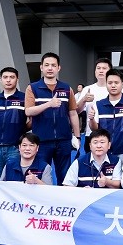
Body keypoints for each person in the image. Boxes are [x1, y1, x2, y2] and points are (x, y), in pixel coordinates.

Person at [0, 67, 28, 228]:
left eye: (12, 77)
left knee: (16, 183)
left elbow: (29, 121)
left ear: (17, 79)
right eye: (5, 77)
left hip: (15, 148)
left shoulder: (24, 98)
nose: (8, 80)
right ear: (1, 79)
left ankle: (18, 215)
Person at [24, 52, 80, 185]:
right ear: (41, 67)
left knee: (65, 177)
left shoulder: (67, 88)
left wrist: (77, 136)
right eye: (47, 65)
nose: (50, 68)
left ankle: (63, 199)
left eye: (53, 65)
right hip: (41, 141)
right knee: (41, 176)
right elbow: (28, 111)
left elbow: (73, 113)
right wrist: (48, 104)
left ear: (58, 68)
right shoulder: (32, 88)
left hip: (64, 140)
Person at [0, 133, 53, 214]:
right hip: (14, 210)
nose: (27, 148)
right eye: (24, 145)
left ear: (37, 148)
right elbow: (1, 186)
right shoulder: (9, 166)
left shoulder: (44, 167)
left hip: (36, 211)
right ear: (19, 147)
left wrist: (37, 181)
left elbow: (50, 192)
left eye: (31, 145)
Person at [89, 69, 123, 163]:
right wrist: (91, 119)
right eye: (110, 83)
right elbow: (95, 129)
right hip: (104, 152)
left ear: (122, 84)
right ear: (106, 84)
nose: (113, 85)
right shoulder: (98, 105)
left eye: (116, 82)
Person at [76, 57, 113, 152]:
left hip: (111, 134)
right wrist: (84, 99)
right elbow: (77, 111)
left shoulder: (114, 89)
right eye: (98, 68)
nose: (101, 71)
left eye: (104, 68)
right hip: (91, 134)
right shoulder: (87, 89)